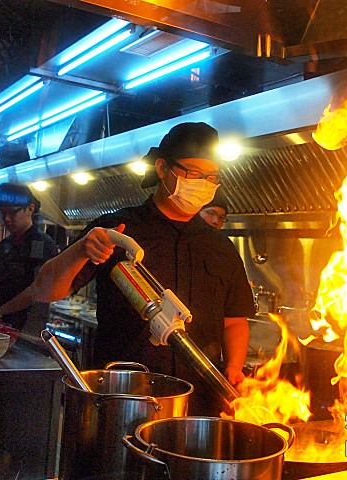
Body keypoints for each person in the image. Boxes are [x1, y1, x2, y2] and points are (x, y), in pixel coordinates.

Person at [26, 122, 255, 415]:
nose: (203, 184)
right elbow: (45, 291)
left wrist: (234, 368)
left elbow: (234, 320)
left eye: (211, 178)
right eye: (194, 174)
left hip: (201, 404)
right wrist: (81, 249)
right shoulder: (116, 231)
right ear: (162, 168)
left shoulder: (221, 247)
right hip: (127, 398)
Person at [0, 183, 57, 330]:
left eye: (12, 212)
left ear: (30, 209)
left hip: (27, 328)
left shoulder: (41, 244)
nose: (7, 219)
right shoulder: (4, 245)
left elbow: (38, 290)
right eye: (2, 213)